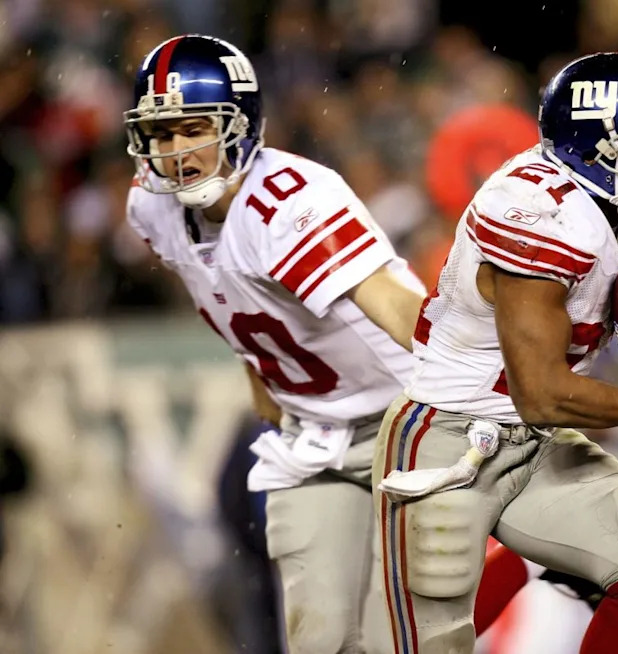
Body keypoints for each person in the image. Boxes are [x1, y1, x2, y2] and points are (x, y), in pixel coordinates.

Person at [372, 52, 618, 654]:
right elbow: (540, 392)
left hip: (539, 442)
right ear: (595, 147)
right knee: (423, 645)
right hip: (449, 435)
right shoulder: (538, 216)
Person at [123, 34, 427, 654]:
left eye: (194, 128)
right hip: (317, 434)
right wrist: (258, 371)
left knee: (417, 624)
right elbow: (222, 291)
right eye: (162, 135)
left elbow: (398, 310)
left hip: (414, 417)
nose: (178, 152)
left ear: (239, 126)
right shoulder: (150, 211)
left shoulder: (285, 205)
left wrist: (491, 379)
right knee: (318, 636)